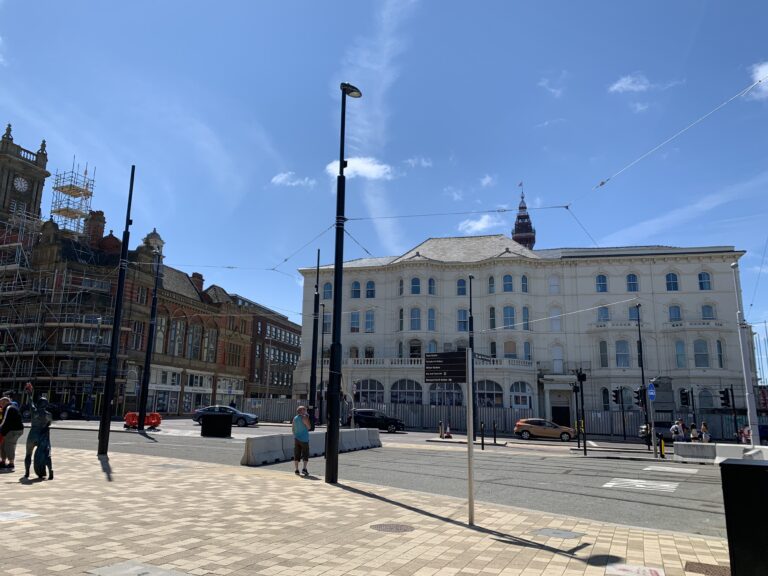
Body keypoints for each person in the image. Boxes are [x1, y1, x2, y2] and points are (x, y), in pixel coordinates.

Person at [23, 386, 53, 480]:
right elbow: (49, 424)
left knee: (28, 454)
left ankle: (27, 472)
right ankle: (50, 470)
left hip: (33, 434)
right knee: (46, 453)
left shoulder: (34, 411)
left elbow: (30, 402)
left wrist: (29, 394)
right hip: (42, 436)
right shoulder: (49, 415)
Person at [0, 396, 24, 472]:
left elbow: (4, 421)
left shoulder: (9, 408)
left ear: (5, 402)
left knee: (9, 445)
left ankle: (11, 463)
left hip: (14, 430)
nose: (1, 405)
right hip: (10, 430)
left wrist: (1, 430)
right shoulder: (9, 408)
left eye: (1, 403)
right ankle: (3, 461)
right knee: (2, 445)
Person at [292, 405, 311, 477]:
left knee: (297, 454)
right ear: (302, 411)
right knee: (305, 453)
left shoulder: (295, 418)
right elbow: (309, 427)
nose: (306, 411)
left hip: (297, 438)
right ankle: (304, 468)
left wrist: (296, 435)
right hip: (304, 439)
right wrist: (307, 418)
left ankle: (296, 469)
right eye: (304, 410)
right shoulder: (304, 418)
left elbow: (293, 429)